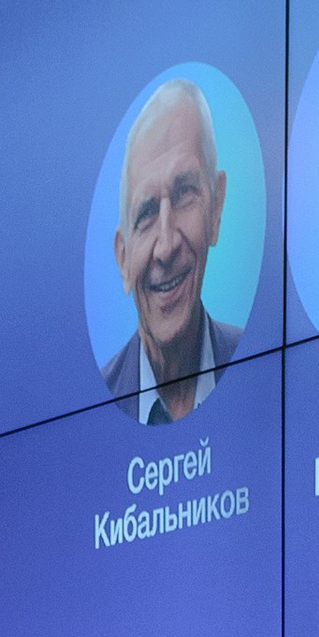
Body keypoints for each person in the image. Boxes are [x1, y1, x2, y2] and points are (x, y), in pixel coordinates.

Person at [99, 81, 238, 426]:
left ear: (216, 208)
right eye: (146, 214)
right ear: (122, 259)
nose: (166, 246)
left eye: (184, 194)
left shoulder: (258, 363)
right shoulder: (95, 409)